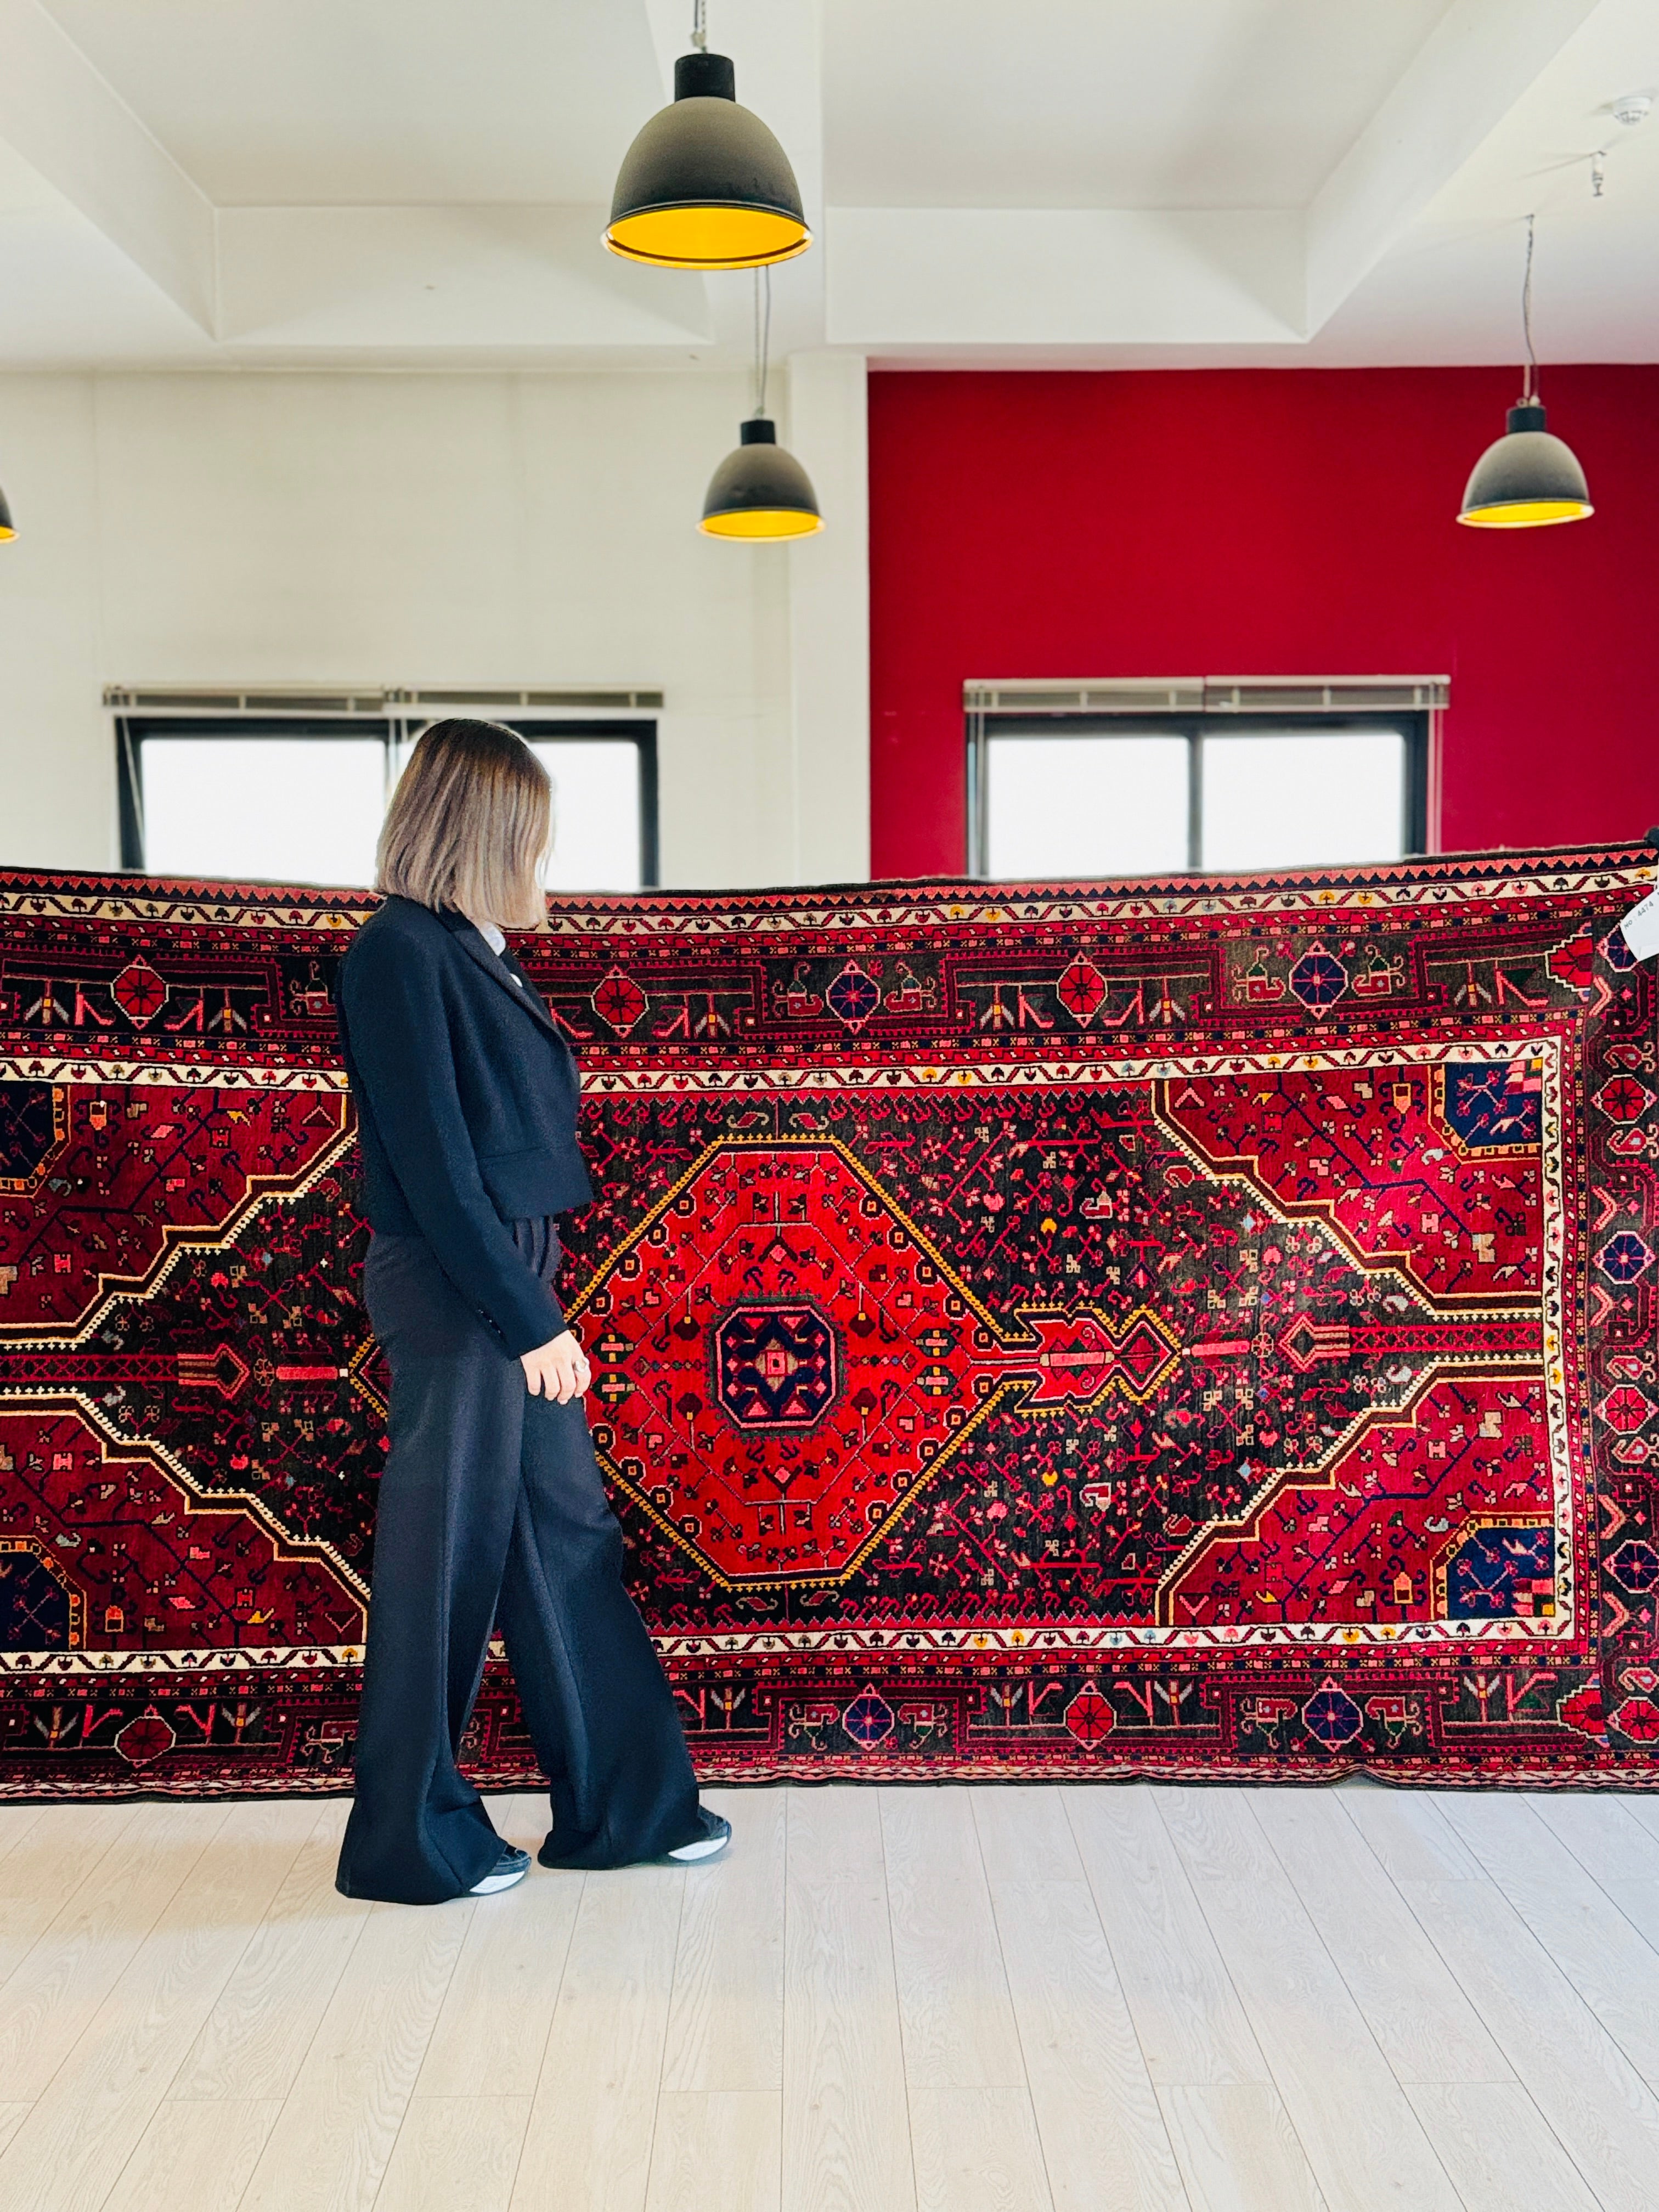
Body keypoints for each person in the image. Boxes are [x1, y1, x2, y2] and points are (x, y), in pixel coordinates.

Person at [332, 716, 728, 1904]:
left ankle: (626, 1809)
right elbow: (437, 1165)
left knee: (563, 1541)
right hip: (463, 1282)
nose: (542, 858)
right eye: (530, 835)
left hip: (505, 1272)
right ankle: (409, 1843)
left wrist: (530, 1299)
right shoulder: (398, 952)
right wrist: (529, 1318)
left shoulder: (468, 946)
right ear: (481, 830)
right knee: (442, 1563)